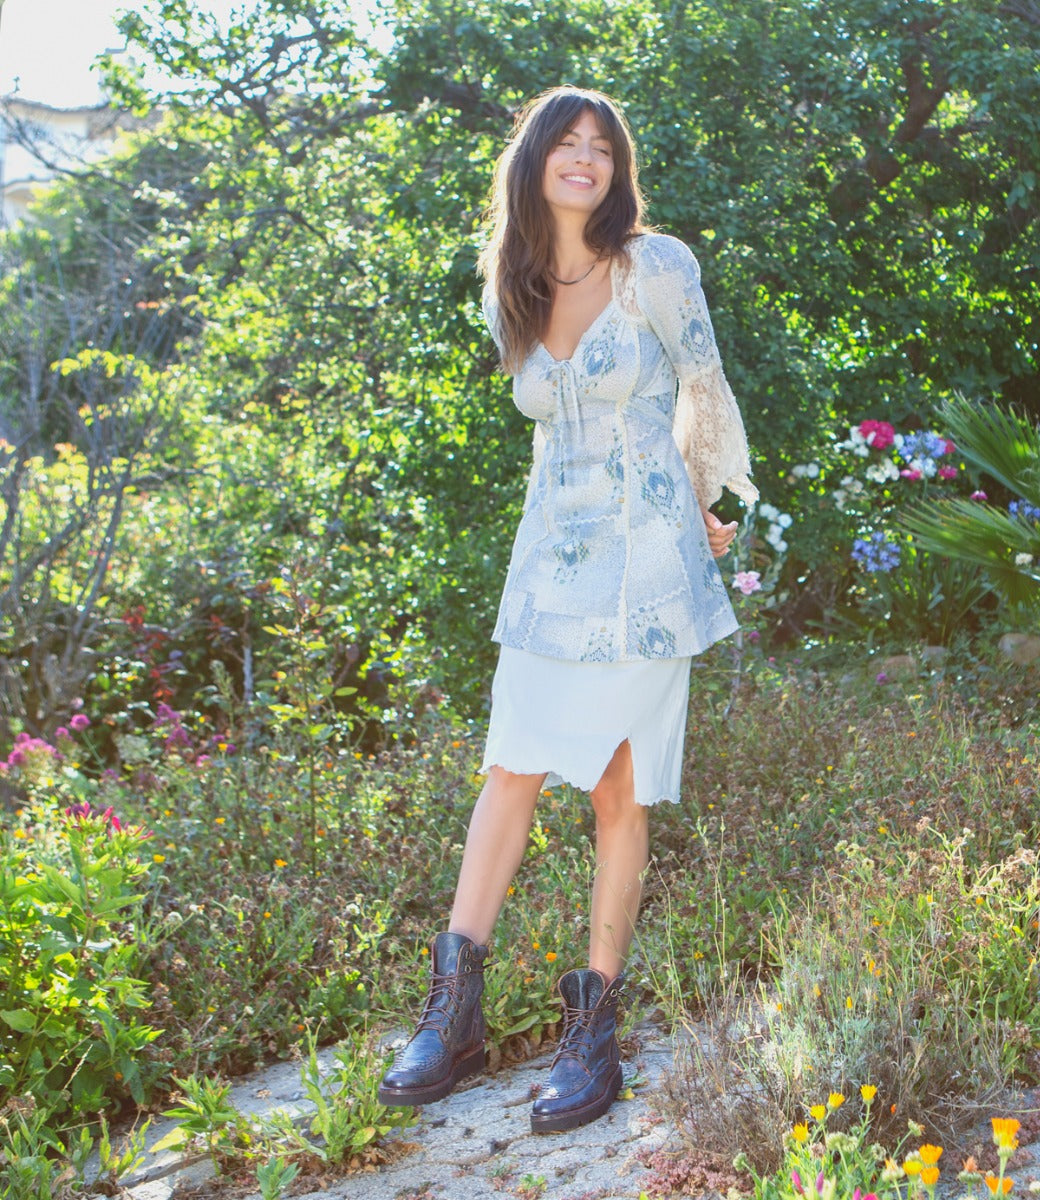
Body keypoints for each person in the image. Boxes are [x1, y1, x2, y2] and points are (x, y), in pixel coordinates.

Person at [378, 85, 757, 1133]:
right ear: (535, 162)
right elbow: (551, 432)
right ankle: (452, 1015)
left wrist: (706, 500)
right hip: (547, 561)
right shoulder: (512, 281)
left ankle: (590, 1033)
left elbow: (701, 387)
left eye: (601, 146)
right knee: (509, 768)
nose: (584, 159)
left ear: (614, 166)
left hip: (645, 564)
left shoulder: (656, 265)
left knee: (616, 791)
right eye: (566, 144)